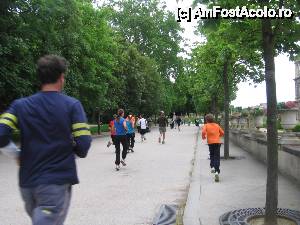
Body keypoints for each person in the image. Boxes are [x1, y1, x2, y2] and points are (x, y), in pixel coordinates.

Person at [0, 55, 92, 225]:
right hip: (55, 182)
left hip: (27, 183)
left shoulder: (19, 105)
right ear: (61, 77)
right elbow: (84, 144)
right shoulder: (72, 105)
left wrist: (16, 155)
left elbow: (1, 134)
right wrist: (73, 151)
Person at [201, 113, 224, 182]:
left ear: (207, 120)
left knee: (212, 155)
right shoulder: (217, 125)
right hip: (217, 143)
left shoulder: (206, 125)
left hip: (210, 143)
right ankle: (217, 172)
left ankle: (212, 167)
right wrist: (218, 136)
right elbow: (222, 133)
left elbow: (203, 132)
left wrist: (203, 137)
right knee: (217, 156)